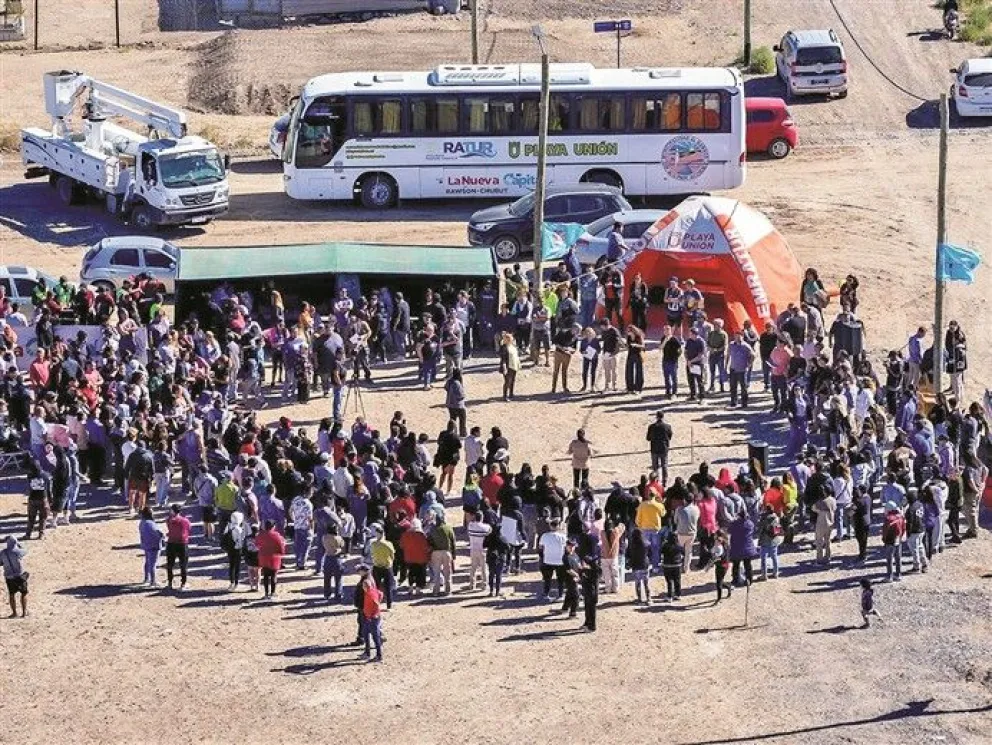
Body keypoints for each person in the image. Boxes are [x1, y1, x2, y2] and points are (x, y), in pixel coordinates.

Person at [257, 519, 286, 598]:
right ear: (273, 526)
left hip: (263, 557)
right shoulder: (276, 535)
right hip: (274, 557)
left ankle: (266, 593)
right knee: (273, 575)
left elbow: (256, 544)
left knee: (265, 575)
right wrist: (282, 553)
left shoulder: (260, 535)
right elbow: (281, 546)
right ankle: (273, 593)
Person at [428, 511, 456, 596]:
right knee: (447, 573)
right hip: (446, 552)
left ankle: (436, 591)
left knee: (436, 573)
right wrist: (454, 554)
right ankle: (448, 590)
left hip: (436, 552)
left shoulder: (432, 529)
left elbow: (429, 542)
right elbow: (453, 542)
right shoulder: (448, 528)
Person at [164, 504, 191, 591]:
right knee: (183, 565)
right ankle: (183, 583)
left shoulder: (169, 520)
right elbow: (188, 529)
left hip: (171, 543)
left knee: (170, 564)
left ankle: (170, 583)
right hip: (182, 543)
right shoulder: (185, 521)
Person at [1, 536, 28, 618]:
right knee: (24, 593)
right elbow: (25, 551)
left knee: (12, 594)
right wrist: (20, 545)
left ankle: (14, 613)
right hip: (19, 575)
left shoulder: (2, 553)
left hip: (9, 577)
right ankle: (24, 613)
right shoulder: (17, 551)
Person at [360, 572, 384, 663]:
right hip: (367, 617)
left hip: (372, 619)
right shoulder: (372, 590)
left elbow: (376, 604)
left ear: (366, 586)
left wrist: (374, 614)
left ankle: (379, 655)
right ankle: (367, 653)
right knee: (366, 634)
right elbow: (381, 594)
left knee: (375, 637)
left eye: (363, 586)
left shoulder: (370, 594)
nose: (363, 587)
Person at [137, 506, 164, 587]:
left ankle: (146, 579)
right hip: (154, 545)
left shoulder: (142, 522)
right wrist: (162, 537)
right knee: (153, 564)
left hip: (146, 544)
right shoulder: (150, 523)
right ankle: (153, 581)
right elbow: (158, 533)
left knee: (147, 562)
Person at [727, 331, 755, 408]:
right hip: (733, 368)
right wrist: (726, 365)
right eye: (736, 336)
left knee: (743, 387)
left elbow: (753, 355)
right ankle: (733, 402)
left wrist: (749, 364)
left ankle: (744, 403)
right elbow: (728, 354)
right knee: (733, 386)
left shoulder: (745, 345)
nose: (737, 338)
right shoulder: (731, 344)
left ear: (742, 337)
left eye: (739, 336)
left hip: (742, 369)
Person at [646, 411, 673, 486]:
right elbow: (670, 437)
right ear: (663, 417)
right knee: (664, 465)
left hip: (654, 448)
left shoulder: (651, 427)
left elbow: (648, 438)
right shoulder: (667, 426)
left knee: (655, 466)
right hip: (664, 448)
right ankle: (665, 481)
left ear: (656, 417)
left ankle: (656, 481)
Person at [221, 512, 247, 590]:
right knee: (237, 567)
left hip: (230, 548)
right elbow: (241, 540)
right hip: (237, 549)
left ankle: (231, 582)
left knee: (231, 565)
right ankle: (236, 582)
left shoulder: (229, 526)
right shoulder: (239, 529)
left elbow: (224, 535)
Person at [484, 520, 510, 597]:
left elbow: (484, 545)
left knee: (491, 575)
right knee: (499, 575)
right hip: (500, 558)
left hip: (491, 558)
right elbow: (508, 548)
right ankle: (497, 592)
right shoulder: (503, 538)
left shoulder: (489, 537)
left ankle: (491, 591)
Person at [551, 320, 577, 394]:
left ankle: (565, 387)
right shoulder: (562, 332)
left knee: (564, 371)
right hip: (558, 353)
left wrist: (571, 350)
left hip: (567, 355)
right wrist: (562, 348)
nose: (578, 332)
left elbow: (575, 348)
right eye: (577, 330)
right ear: (573, 328)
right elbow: (554, 341)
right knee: (556, 370)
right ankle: (553, 387)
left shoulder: (575, 337)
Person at [882, 502, 905, 582]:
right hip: (898, 539)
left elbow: (885, 531)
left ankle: (889, 577)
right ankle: (898, 575)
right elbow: (903, 528)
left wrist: (884, 540)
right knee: (898, 558)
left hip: (890, 541)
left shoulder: (888, 519)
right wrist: (900, 536)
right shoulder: (900, 516)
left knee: (889, 559)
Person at [660, 532, 684, 601]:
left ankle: (669, 596)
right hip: (677, 565)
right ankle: (678, 594)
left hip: (667, 565)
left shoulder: (665, 545)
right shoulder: (678, 545)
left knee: (669, 581)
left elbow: (661, 552)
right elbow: (683, 553)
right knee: (677, 580)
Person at [684, 328, 706, 402]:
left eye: (690, 334)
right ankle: (693, 396)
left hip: (698, 364)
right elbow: (685, 351)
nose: (689, 335)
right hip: (689, 363)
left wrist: (691, 361)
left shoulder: (701, 342)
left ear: (695, 334)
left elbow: (700, 355)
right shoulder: (689, 341)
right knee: (690, 380)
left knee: (699, 381)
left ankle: (702, 397)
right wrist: (687, 360)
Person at [498, 331, 521, 400]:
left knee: (512, 380)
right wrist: (504, 368)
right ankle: (505, 396)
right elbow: (503, 359)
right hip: (507, 367)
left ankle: (511, 394)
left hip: (514, 366)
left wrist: (518, 364)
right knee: (507, 381)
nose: (511, 339)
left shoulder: (513, 347)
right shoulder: (503, 347)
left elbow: (516, 356)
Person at [445, 369, 467, 438]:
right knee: (462, 420)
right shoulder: (457, 383)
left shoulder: (449, 381)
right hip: (458, 405)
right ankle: (462, 434)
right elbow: (461, 395)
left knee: (452, 420)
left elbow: (445, 387)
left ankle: (452, 432)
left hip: (450, 404)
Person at [624, 325, 645, 394]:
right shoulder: (628, 337)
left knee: (639, 371)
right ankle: (630, 388)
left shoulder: (638, 336)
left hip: (638, 354)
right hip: (630, 354)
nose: (628, 333)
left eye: (629, 331)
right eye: (627, 331)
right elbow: (627, 346)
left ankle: (638, 388)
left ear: (633, 331)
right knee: (629, 371)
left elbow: (643, 346)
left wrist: (636, 345)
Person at [578, 327, 600, 393]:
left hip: (594, 357)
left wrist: (596, 352)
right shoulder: (583, 340)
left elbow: (599, 349)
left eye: (589, 332)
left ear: (592, 332)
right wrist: (583, 352)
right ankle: (584, 386)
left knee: (593, 372)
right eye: (586, 332)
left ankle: (592, 387)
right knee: (584, 372)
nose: (588, 334)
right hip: (586, 357)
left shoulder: (595, 340)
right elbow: (581, 349)